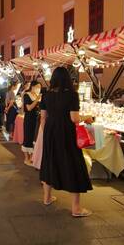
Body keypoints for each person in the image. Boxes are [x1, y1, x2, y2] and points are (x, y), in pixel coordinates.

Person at [40, 67, 92, 215]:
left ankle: (47, 197)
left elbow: (43, 117)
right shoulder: (72, 95)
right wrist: (87, 117)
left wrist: (46, 133)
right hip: (66, 133)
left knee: (49, 161)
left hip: (50, 131)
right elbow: (74, 118)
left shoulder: (46, 95)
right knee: (73, 163)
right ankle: (76, 208)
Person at [22, 81, 41, 166]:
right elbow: (29, 108)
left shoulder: (37, 95)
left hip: (36, 120)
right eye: (37, 87)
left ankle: (32, 158)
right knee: (28, 138)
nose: (38, 89)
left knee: (33, 138)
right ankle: (26, 159)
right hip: (29, 119)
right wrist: (37, 100)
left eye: (39, 87)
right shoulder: (27, 95)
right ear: (32, 86)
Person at [32, 87, 48, 170]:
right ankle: (40, 163)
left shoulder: (44, 99)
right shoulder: (47, 99)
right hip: (45, 126)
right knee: (42, 146)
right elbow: (43, 117)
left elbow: (43, 116)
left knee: (40, 146)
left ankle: (38, 162)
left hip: (43, 126)